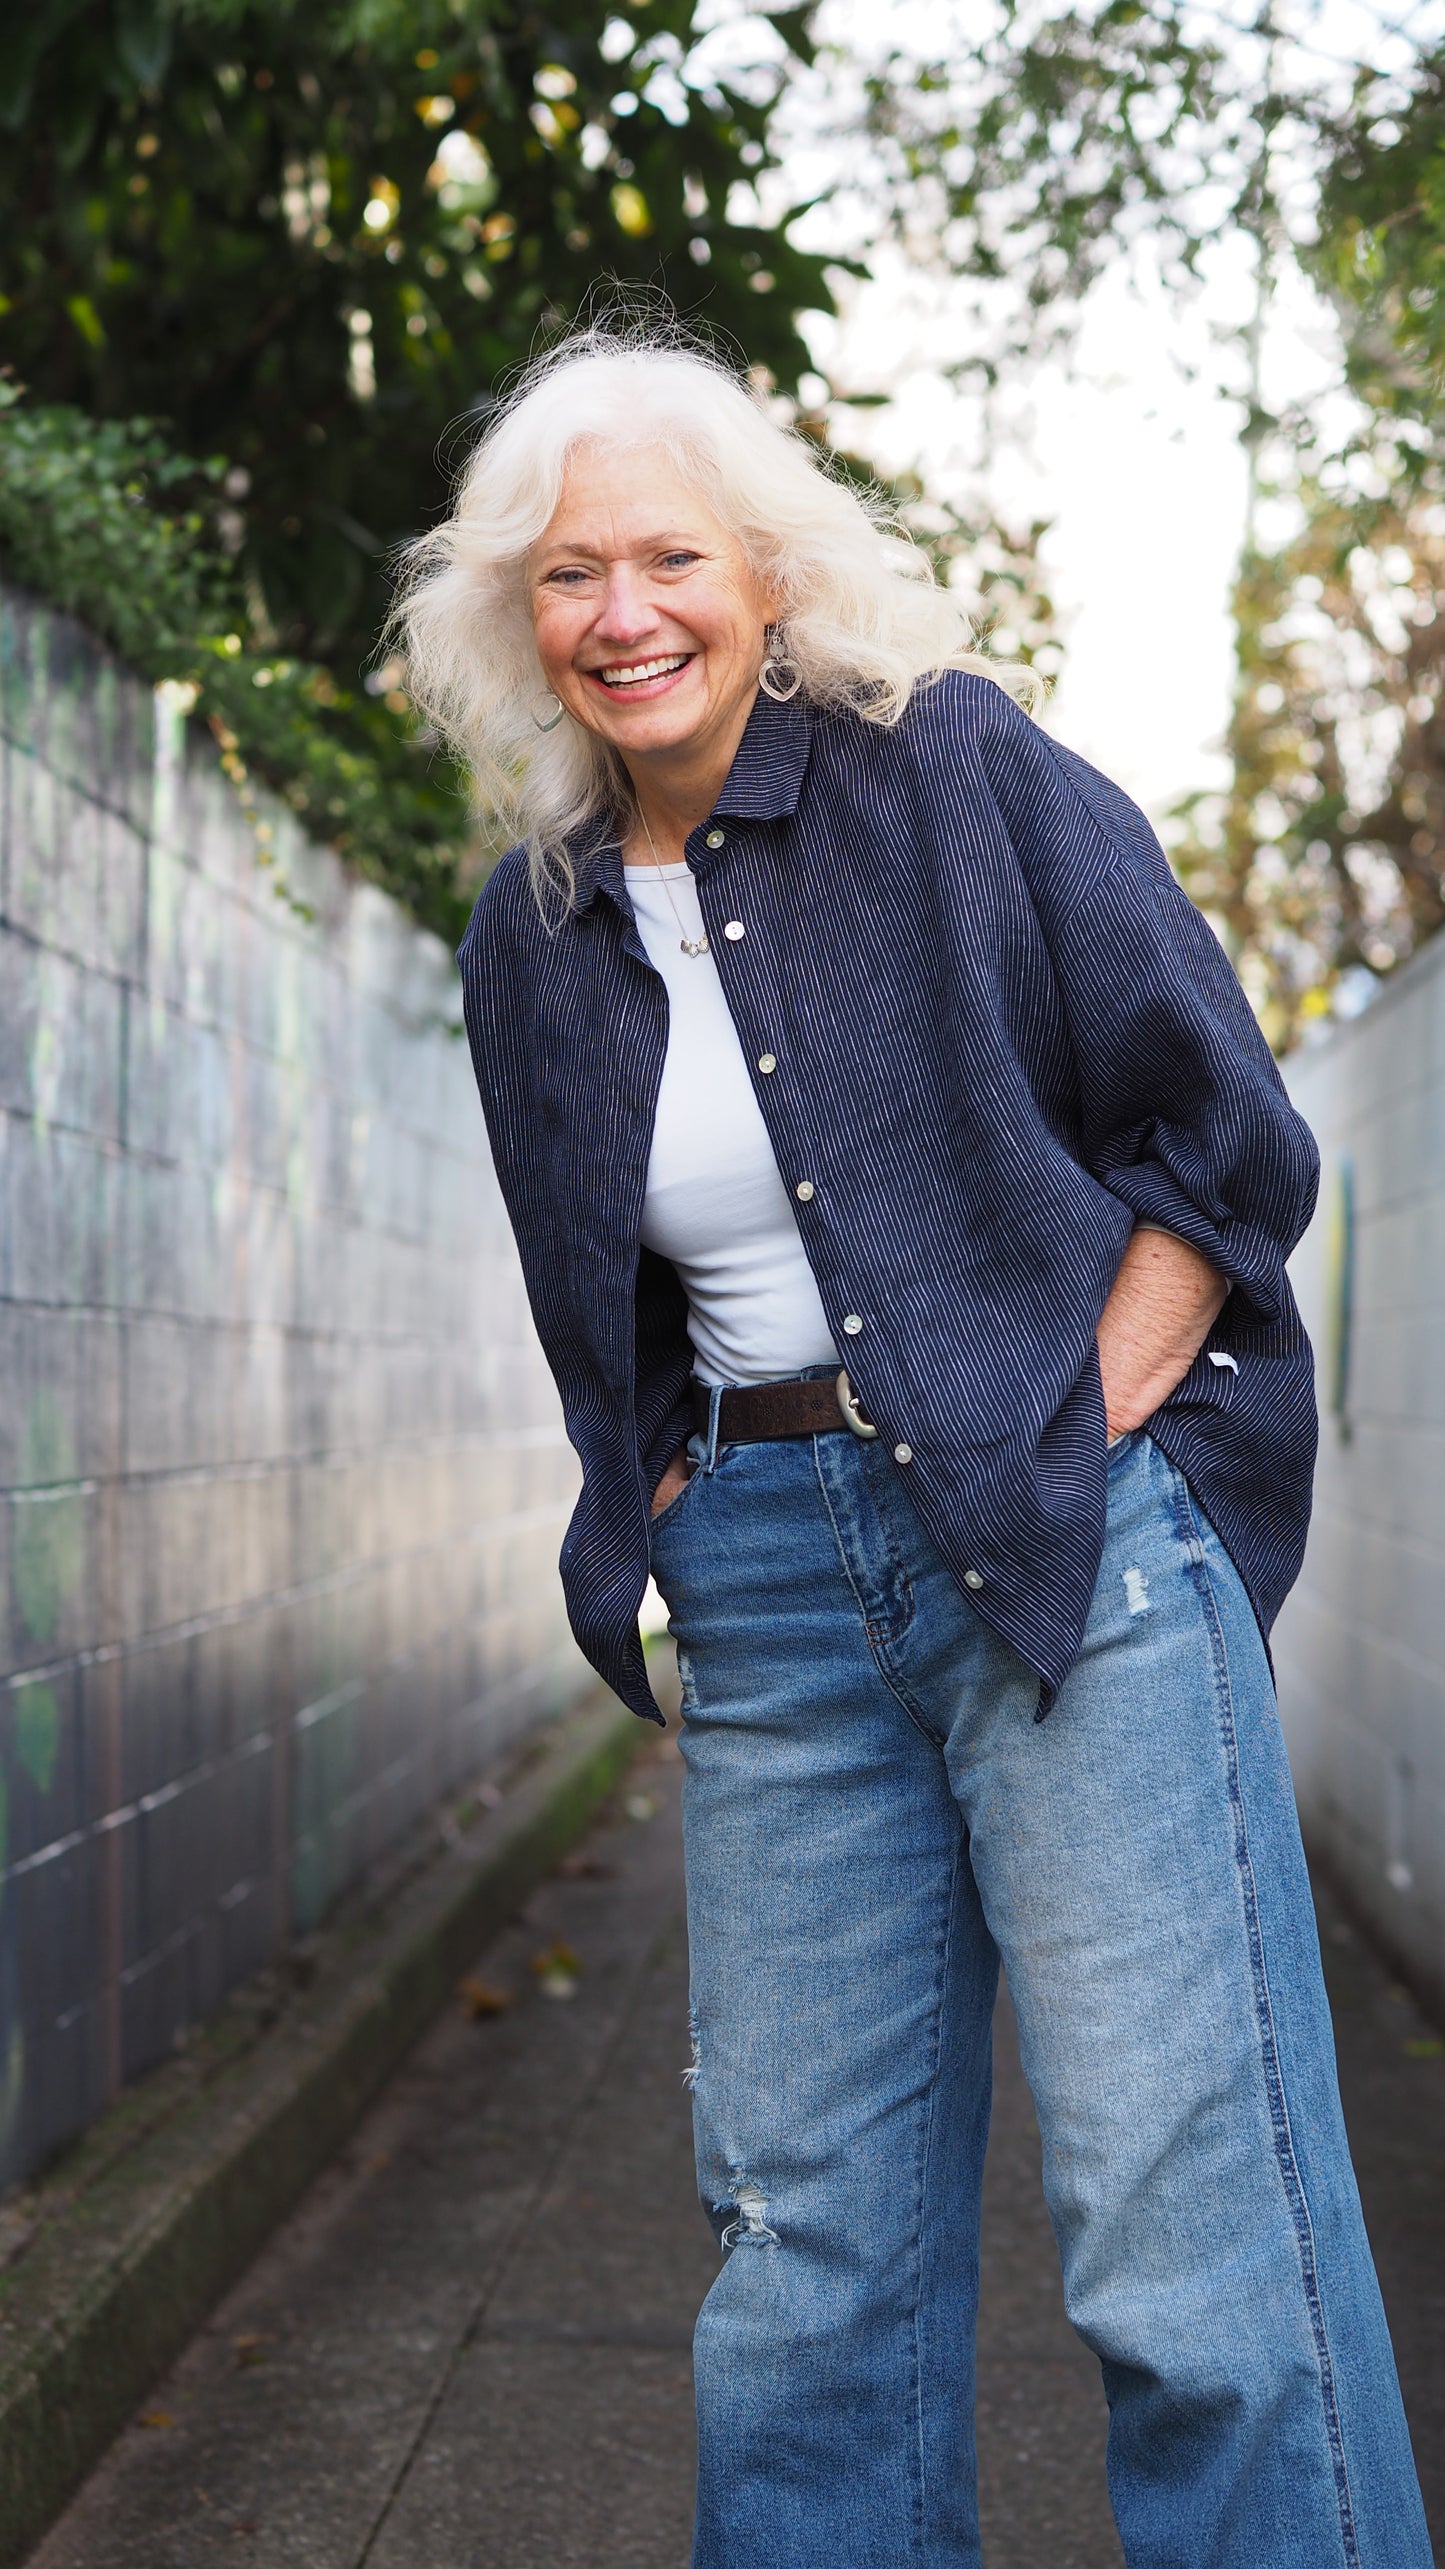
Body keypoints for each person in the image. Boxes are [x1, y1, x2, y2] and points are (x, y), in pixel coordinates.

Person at [393, 327, 1431, 2569]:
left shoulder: (949, 772)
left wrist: (1095, 1408)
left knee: (1188, 2244)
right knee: (805, 2268)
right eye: (572, 574)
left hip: (1068, 1549)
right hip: (772, 1585)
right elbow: (602, 1287)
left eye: (672, 554)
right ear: (518, 612)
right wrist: (671, 1487)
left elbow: (1227, 1138)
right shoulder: (535, 935)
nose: (626, 611)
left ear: (766, 575)